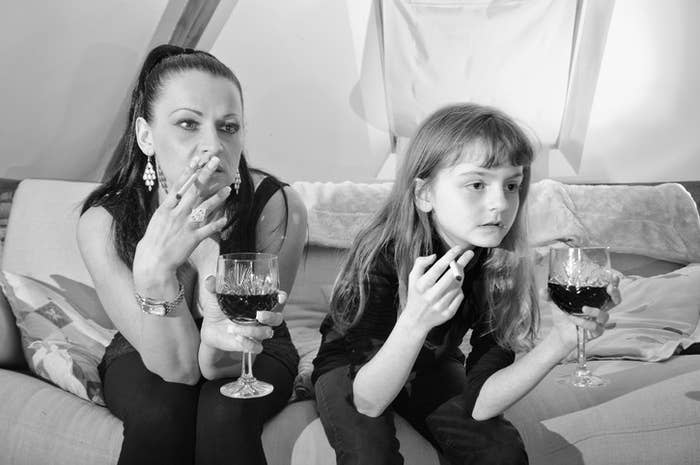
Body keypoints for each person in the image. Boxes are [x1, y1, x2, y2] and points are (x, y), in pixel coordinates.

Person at [311, 103, 620, 465]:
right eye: (477, 184)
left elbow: (482, 403)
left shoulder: (497, 263)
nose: (500, 204)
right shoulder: (380, 253)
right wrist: (415, 320)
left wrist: (562, 341)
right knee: (369, 455)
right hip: (354, 371)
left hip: (433, 365)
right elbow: (368, 400)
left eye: (512, 185)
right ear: (425, 194)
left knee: (501, 452)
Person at [77, 44, 307, 465]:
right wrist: (154, 270)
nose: (213, 145)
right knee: (160, 411)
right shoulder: (104, 223)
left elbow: (227, 357)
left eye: (229, 127)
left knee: (226, 412)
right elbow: (178, 370)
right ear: (146, 135)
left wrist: (216, 340)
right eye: (188, 123)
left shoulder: (277, 205)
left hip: (255, 348)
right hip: (143, 346)